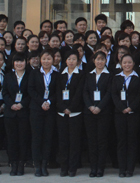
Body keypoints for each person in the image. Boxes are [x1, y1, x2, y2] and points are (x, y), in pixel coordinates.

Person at [28, 49, 58, 177]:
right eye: (44, 59)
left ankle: (45, 165)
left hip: (50, 110)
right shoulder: (34, 73)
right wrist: (41, 102)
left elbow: (57, 91)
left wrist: (49, 102)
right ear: (40, 60)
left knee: (47, 138)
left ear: (53, 60)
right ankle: (37, 166)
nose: (46, 61)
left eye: (49, 59)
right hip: (36, 109)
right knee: (36, 138)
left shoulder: (56, 74)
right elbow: (31, 89)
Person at [55, 47, 85, 177]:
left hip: (75, 112)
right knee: (63, 141)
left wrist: (71, 108)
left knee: (74, 141)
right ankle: (64, 167)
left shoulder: (81, 74)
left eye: (74, 59)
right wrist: (63, 107)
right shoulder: (60, 74)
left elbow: (79, 93)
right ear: (65, 61)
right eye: (69, 59)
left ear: (78, 61)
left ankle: (72, 167)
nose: (71, 61)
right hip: (61, 113)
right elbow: (57, 92)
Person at [112, 53, 140, 177]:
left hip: (133, 113)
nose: (127, 65)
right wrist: (122, 108)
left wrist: (131, 107)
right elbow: (114, 95)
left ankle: (130, 169)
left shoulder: (137, 78)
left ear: (133, 64)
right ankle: (122, 168)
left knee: (132, 141)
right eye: (124, 63)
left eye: (129, 62)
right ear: (121, 64)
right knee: (121, 141)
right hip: (120, 114)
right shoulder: (116, 77)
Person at [83, 51, 113, 177]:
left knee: (102, 140)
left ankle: (100, 167)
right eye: (97, 59)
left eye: (102, 59)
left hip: (103, 112)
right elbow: (85, 92)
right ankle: (93, 167)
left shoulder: (109, 75)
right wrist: (90, 106)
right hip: (89, 112)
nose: (100, 62)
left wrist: (99, 107)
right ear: (94, 61)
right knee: (92, 141)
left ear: (106, 61)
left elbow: (109, 93)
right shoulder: (89, 75)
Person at [2, 52, 31, 176]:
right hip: (10, 113)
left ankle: (21, 164)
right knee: (11, 140)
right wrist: (11, 104)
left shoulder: (30, 76)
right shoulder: (8, 76)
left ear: (26, 62)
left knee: (23, 139)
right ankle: (13, 164)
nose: (19, 64)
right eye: (17, 61)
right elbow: (4, 93)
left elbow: (31, 93)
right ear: (13, 63)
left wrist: (22, 104)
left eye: (21, 61)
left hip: (24, 112)